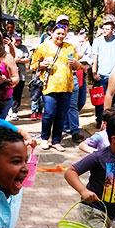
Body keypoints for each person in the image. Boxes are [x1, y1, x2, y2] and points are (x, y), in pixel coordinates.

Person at [31, 23, 82, 151]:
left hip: (67, 86)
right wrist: (42, 64)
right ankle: (44, 138)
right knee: (49, 113)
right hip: (49, 86)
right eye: (58, 33)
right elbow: (32, 66)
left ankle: (56, 140)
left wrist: (76, 63)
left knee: (61, 114)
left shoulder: (70, 47)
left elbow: (77, 66)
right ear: (51, 33)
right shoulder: (43, 47)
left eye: (63, 34)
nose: (60, 36)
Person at [91, 16, 115, 128]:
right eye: (104, 28)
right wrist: (94, 73)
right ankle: (100, 120)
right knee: (100, 101)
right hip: (102, 76)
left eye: (107, 29)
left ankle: (113, 120)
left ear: (113, 30)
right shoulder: (97, 41)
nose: (105, 31)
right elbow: (95, 58)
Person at [10, 34, 29, 121]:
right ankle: (9, 109)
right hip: (11, 75)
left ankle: (15, 111)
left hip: (21, 75)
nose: (17, 42)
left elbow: (27, 59)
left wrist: (19, 60)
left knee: (18, 93)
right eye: (16, 40)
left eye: (19, 40)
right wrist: (15, 61)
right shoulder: (8, 47)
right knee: (10, 93)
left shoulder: (23, 48)